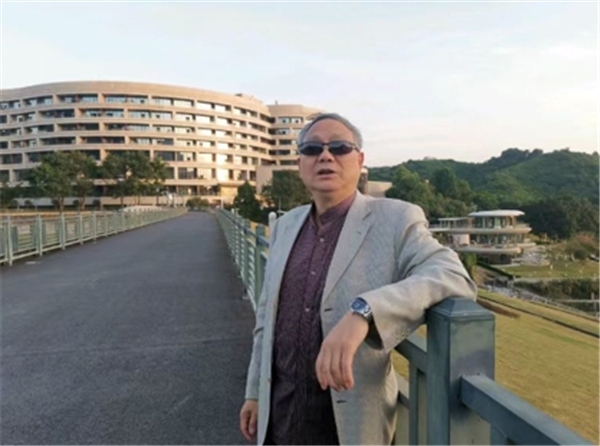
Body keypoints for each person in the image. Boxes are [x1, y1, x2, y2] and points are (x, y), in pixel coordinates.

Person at [239, 113, 477, 445]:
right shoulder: (285, 226)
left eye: (339, 147)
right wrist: (254, 393)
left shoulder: (395, 219)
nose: (325, 155)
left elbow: (452, 275)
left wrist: (364, 312)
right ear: (300, 163)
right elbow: (266, 319)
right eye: (312, 148)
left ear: (360, 160)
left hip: (348, 427)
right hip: (280, 419)